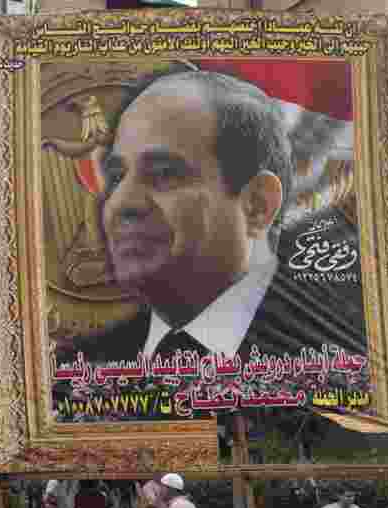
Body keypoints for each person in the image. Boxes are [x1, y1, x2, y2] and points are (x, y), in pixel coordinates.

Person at [56, 67, 364, 372]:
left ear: (257, 204)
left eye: (164, 173)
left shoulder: (359, 361)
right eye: (116, 176)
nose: (121, 203)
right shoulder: (75, 371)